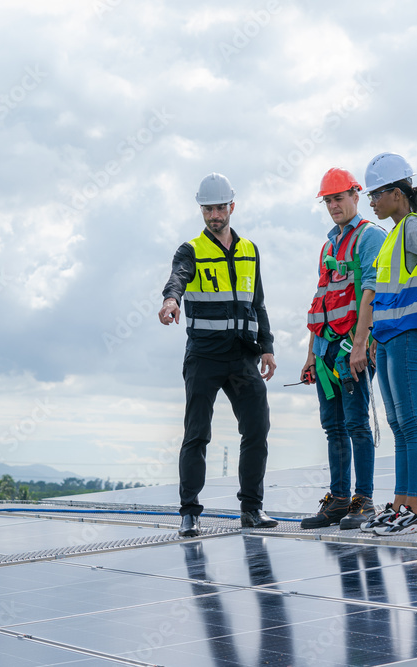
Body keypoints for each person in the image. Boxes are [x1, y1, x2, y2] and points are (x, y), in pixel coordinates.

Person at [158, 172, 279, 536]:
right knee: (197, 434)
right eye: (208, 209)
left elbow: (257, 302)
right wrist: (170, 300)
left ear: (232, 207)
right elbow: (178, 277)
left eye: (220, 208)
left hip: (242, 357)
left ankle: (252, 509)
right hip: (204, 356)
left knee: (257, 429)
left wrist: (268, 347)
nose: (214, 215)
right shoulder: (190, 250)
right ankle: (190, 512)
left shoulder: (249, 251)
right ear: (201, 210)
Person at [358, 153, 417, 535]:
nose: (372, 202)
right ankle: (400, 505)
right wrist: (375, 335)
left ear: (396, 193)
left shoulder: (411, 226)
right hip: (390, 337)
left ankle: (416, 509)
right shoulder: (392, 236)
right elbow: (383, 295)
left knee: (412, 421)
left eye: (376, 194)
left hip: (410, 335)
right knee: (398, 423)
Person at [299, 168, 387, 530]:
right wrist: (310, 355)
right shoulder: (329, 245)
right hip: (325, 350)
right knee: (332, 426)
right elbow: (321, 301)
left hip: (353, 346)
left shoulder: (370, 236)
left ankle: (363, 500)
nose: (334, 205)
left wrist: (360, 346)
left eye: (339, 197)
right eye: (328, 200)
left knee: (355, 424)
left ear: (356, 195)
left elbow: (371, 290)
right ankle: (337, 499)